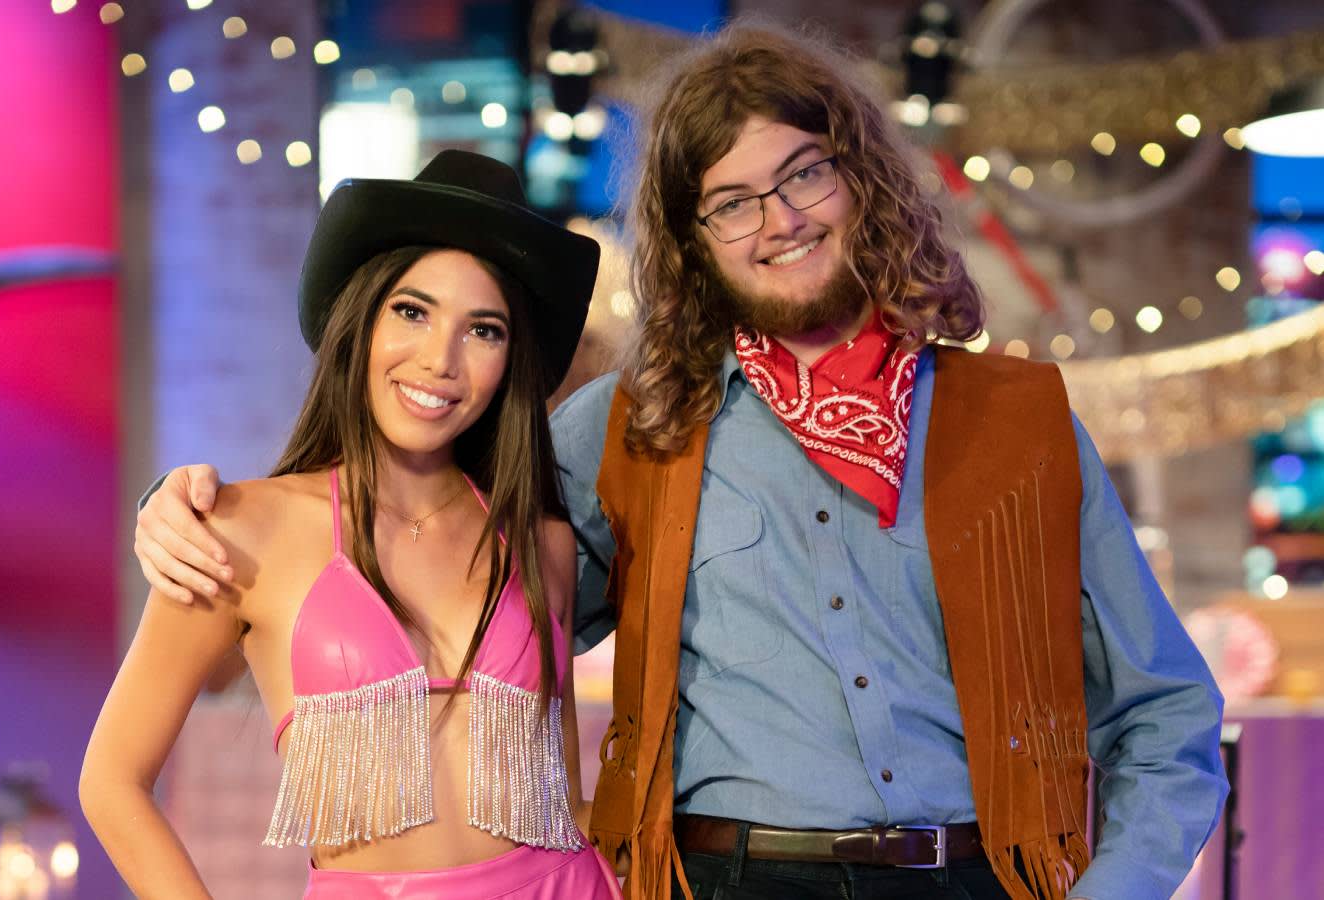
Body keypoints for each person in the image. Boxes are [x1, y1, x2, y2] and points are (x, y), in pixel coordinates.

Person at [133, 23, 1227, 900]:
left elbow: (1166, 714)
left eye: (804, 176)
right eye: (732, 204)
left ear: (863, 180)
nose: (779, 221)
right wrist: (184, 515)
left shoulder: (1023, 424)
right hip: (720, 880)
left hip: (979, 879)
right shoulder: (625, 428)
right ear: (694, 243)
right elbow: (422, 530)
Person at [81, 150, 623, 900]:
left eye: (484, 330)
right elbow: (111, 781)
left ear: (511, 362)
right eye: (412, 311)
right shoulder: (239, 527)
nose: (440, 360)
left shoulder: (541, 540)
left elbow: (561, 797)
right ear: (361, 320)